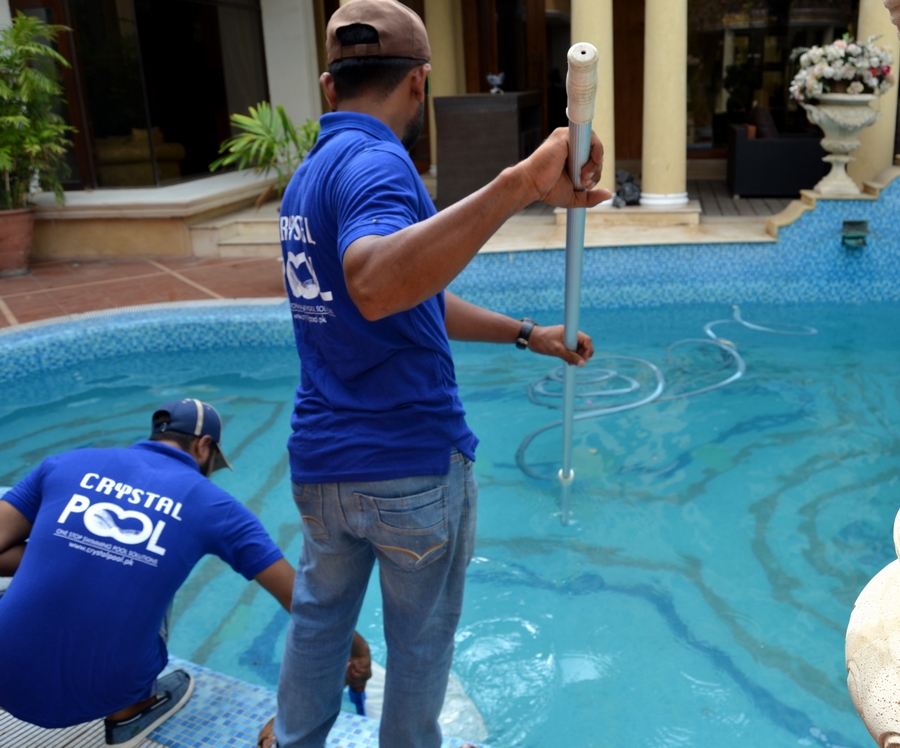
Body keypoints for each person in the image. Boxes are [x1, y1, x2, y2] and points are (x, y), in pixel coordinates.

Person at [272, 1, 611, 746]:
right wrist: (519, 183)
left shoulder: (311, 176)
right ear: (420, 83)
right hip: (407, 466)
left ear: (330, 87)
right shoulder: (377, 162)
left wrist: (527, 335)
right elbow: (376, 281)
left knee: (318, 623)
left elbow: (406, 292)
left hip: (324, 470)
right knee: (420, 649)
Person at [0, 400, 303, 747]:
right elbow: (301, 600)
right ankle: (130, 713)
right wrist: (355, 650)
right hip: (108, 690)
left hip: (5, 677)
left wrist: (65, 550)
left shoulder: (66, 462)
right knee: (156, 569)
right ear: (204, 446)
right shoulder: (217, 507)